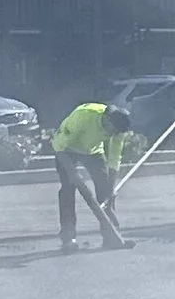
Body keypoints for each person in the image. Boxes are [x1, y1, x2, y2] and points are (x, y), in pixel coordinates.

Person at [51, 100, 136, 250]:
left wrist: (110, 187)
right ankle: (68, 238)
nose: (112, 134)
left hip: (93, 151)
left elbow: (114, 158)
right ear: (107, 120)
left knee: (105, 192)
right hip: (67, 149)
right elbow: (59, 145)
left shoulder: (118, 128)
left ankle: (112, 236)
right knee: (68, 189)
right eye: (112, 130)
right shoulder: (84, 116)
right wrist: (73, 173)